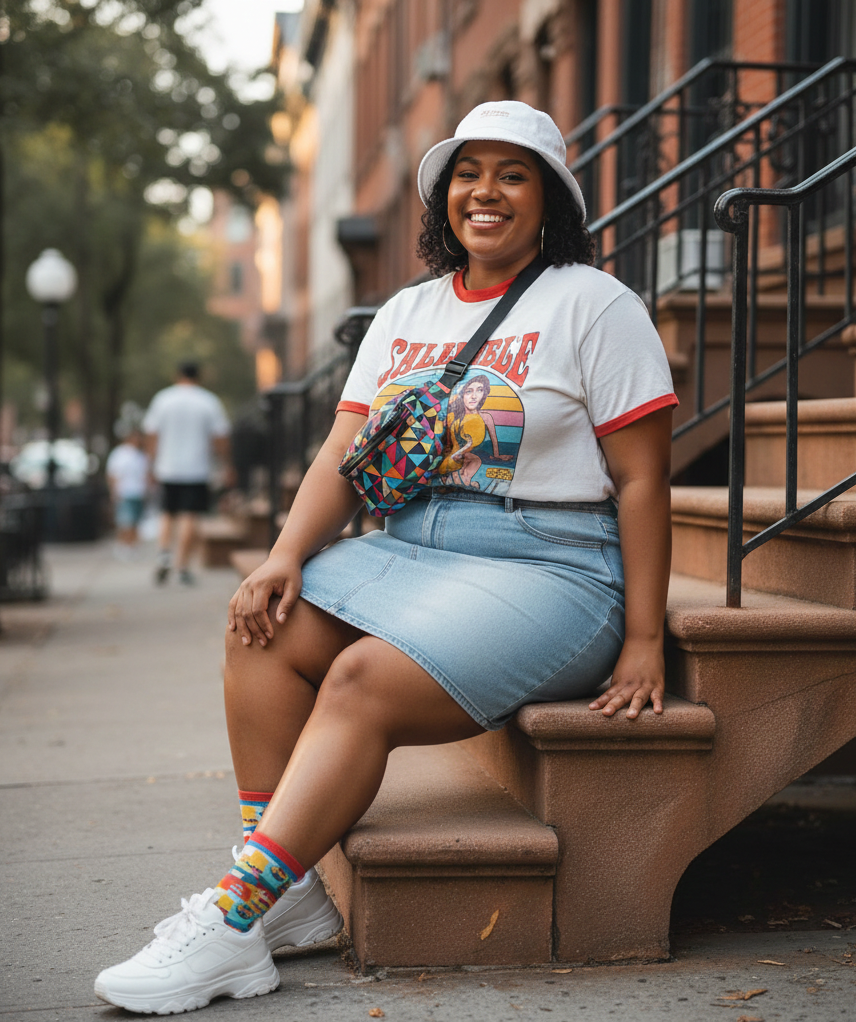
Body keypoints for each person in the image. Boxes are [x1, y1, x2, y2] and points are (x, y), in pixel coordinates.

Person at [95, 101, 678, 1014]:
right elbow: (340, 455)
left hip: (551, 566)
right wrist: (285, 556)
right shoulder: (407, 310)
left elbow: (641, 482)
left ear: (550, 199)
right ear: (444, 194)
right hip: (410, 545)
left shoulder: (594, 305)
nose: (484, 191)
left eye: (512, 174)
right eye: (467, 172)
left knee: (360, 679)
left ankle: (233, 920)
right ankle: (281, 888)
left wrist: (642, 638)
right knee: (261, 625)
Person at [142, 361, 232, 586]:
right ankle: (182, 566)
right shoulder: (208, 401)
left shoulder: (163, 399)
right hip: (196, 468)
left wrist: (150, 464)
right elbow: (220, 437)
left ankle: (164, 555)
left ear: (177, 375)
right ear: (198, 376)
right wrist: (226, 464)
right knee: (189, 515)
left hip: (167, 467)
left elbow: (152, 435)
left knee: (167, 513)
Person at [105, 427, 150, 559]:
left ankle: (132, 546)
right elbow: (113, 474)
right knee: (125, 521)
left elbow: (145, 474)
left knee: (135, 521)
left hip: (138, 493)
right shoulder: (119, 453)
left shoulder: (141, 455)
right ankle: (123, 545)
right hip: (125, 492)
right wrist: (114, 490)